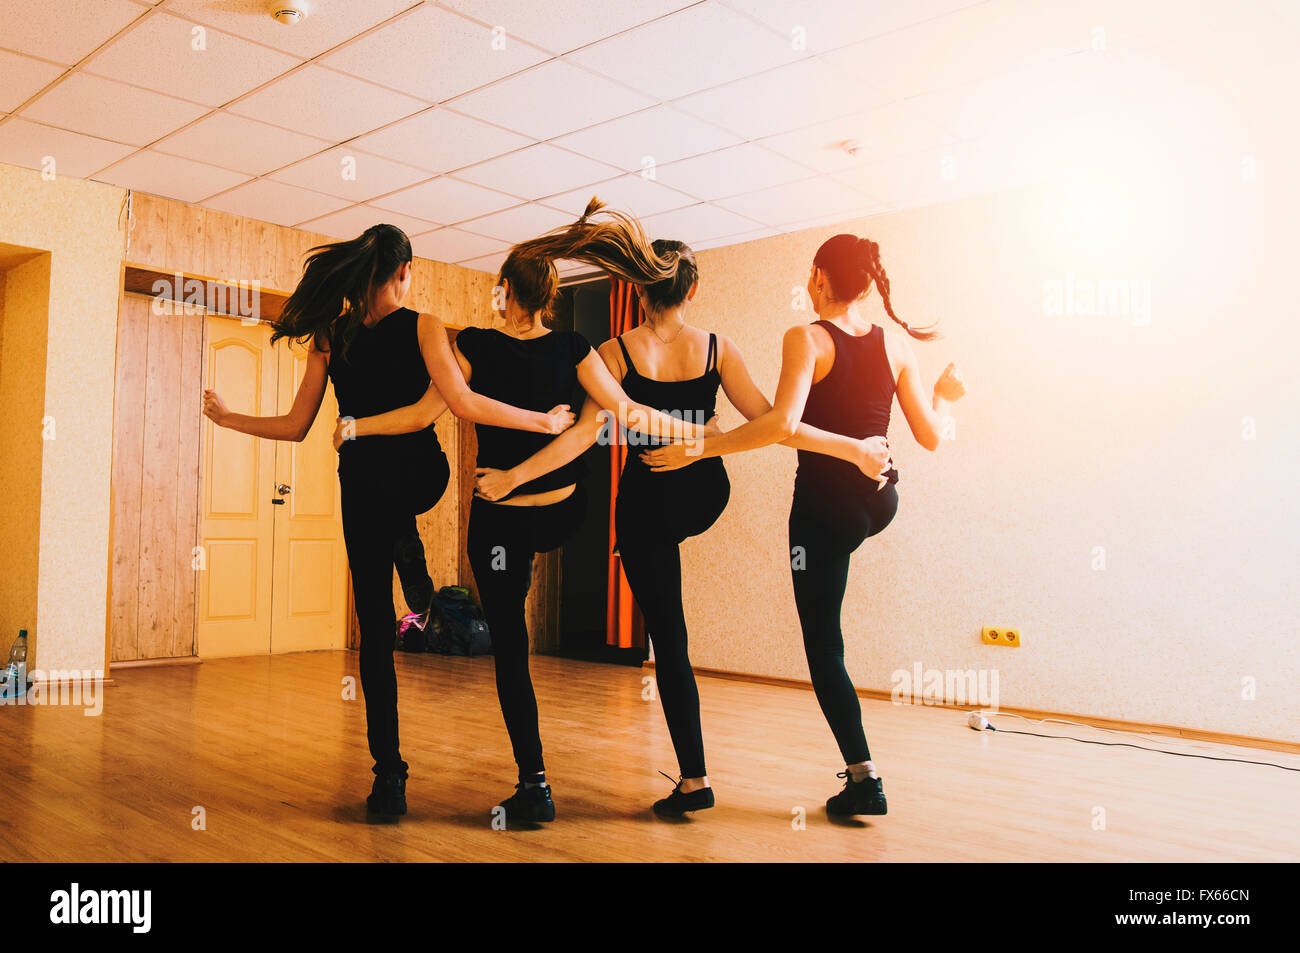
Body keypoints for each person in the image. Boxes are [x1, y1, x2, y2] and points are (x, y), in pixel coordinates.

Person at [476, 239, 893, 817]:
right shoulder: (719, 349)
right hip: (705, 491)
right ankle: (827, 770)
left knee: (669, 639)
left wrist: (515, 478)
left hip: (648, 498)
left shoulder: (616, 352)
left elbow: (581, 435)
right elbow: (775, 422)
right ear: (692, 290)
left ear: (640, 290)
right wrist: (849, 448)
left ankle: (695, 781)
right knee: (687, 604)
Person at [335, 201, 716, 825]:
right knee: (544, 551)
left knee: (511, 648)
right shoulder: (575, 346)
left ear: (503, 292)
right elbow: (623, 411)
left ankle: (535, 785)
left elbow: (430, 412)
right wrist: (698, 434)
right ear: (552, 296)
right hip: (564, 512)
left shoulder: (477, 346)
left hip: (502, 520)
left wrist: (356, 427)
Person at [202, 224, 575, 819]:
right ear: (404, 272)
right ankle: (389, 771)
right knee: (381, 596)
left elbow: (296, 425)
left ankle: (389, 778)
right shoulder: (423, 325)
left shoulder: (331, 333)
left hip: (373, 484)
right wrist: (543, 422)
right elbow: (462, 405)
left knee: (376, 628)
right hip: (416, 473)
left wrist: (228, 419)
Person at [641, 233, 967, 817]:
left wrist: (700, 447)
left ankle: (865, 779)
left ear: (818, 278)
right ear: (867, 284)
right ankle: (859, 777)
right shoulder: (896, 347)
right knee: (831, 625)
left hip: (824, 510)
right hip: (880, 503)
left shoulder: (807, 338)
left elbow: (780, 425)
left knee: (824, 648)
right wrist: (947, 397)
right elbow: (932, 436)